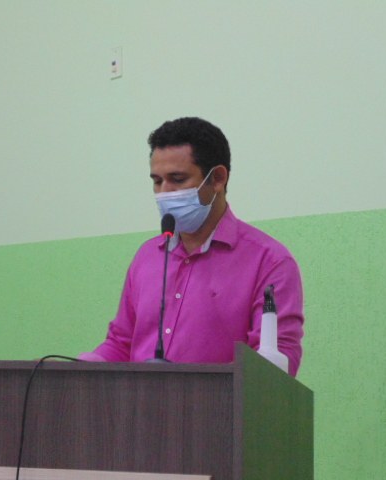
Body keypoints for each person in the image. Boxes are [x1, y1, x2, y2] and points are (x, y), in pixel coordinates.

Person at [79, 117, 304, 375]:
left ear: (217, 178)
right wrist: (81, 368)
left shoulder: (269, 262)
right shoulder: (147, 256)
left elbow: (275, 364)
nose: (164, 192)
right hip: (138, 402)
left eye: (177, 179)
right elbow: (121, 344)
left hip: (221, 403)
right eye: (157, 181)